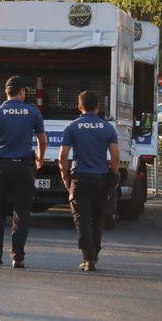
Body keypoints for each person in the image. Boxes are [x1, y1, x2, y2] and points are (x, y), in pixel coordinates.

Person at [0, 76, 46, 269]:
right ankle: (18, 256)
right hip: (24, 167)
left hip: (1, 167)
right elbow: (42, 140)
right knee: (22, 213)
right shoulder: (33, 112)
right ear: (23, 91)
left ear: (6, 92)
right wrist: (40, 159)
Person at [59, 91, 120, 272]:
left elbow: (63, 156)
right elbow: (115, 156)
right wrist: (113, 174)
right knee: (98, 217)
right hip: (101, 178)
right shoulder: (108, 128)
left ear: (79, 107)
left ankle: (88, 258)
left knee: (82, 219)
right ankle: (95, 253)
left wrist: (64, 175)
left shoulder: (72, 127)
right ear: (98, 107)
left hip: (80, 178)